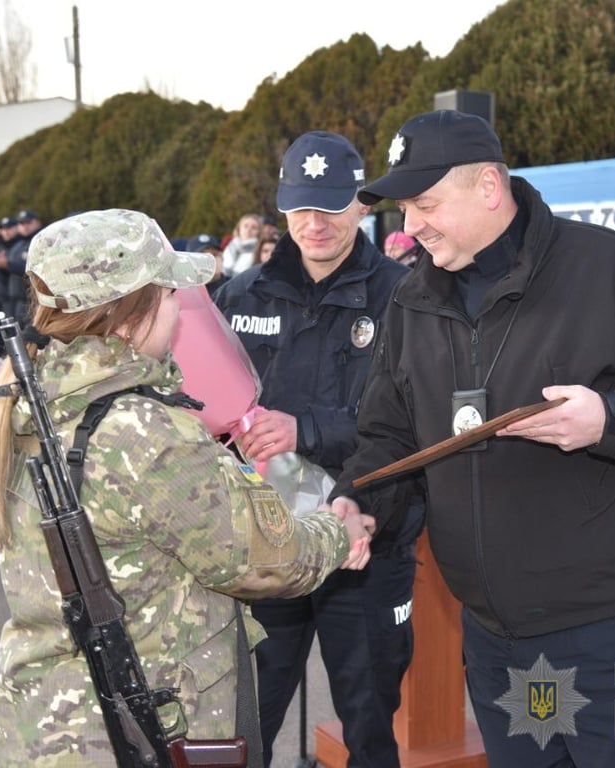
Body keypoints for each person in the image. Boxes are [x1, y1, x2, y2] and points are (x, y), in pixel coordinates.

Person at [331, 110, 615, 768]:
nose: (408, 227)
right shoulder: (411, 300)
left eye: (423, 204)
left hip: (613, 639)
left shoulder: (607, 268)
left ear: (488, 187)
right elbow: (385, 435)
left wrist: (608, 420)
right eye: (402, 209)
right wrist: (356, 506)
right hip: (497, 643)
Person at [0, 207, 374, 768]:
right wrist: (338, 528)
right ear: (133, 312)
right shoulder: (143, 432)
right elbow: (266, 560)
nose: (179, 313)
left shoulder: (35, 400)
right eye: (168, 297)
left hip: (48, 720)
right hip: (143, 724)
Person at [214, 131, 422, 767]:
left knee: (368, 724)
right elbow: (201, 404)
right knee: (245, 724)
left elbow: (416, 423)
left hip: (365, 540)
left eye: (332, 205)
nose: (315, 223)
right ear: (282, 207)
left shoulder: (407, 296)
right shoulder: (239, 295)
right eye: (302, 206)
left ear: (362, 205)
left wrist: (305, 429)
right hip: (267, 544)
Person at [222, 212, 262, 277]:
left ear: (259, 232)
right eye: (245, 226)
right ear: (239, 229)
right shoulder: (230, 246)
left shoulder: (259, 251)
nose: (249, 230)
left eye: (254, 227)